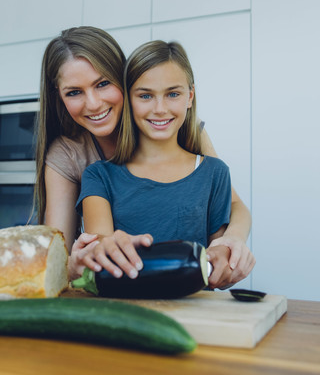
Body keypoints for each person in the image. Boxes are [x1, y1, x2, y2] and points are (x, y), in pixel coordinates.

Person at [34, 26, 254, 284]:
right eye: (74, 92)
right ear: (59, 98)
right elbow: (58, 258)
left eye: (103, 84)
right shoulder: (74, 158)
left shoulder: (180, 130)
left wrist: (232, 241)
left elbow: (234, 205)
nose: (93, 104)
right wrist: (76, 264)